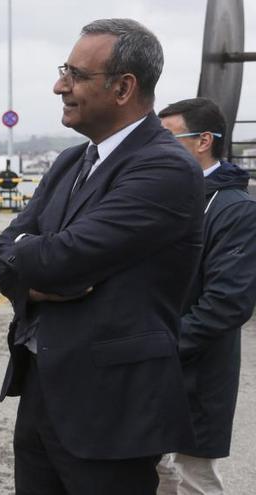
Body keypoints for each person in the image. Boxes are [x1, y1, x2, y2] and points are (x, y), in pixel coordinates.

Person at [0, 18, 204, 494]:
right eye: (64, 71)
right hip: (44, 389)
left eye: (76, 75)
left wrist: (28, 259)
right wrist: (26, 264)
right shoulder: (72, 161)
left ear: (124, 87)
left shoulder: (165, 168)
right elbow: (3, 250)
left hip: (114, 412)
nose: (59, 86)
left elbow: (64, 257)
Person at [155, 97, 256, 495]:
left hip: (197, 362)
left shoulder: (235, 209)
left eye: (168, 138)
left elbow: (228, 302)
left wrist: (163, 344)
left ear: (204, 141)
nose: (157, 148)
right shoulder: (164, 197)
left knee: (195, 475)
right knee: (153, 466)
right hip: (154, 360)